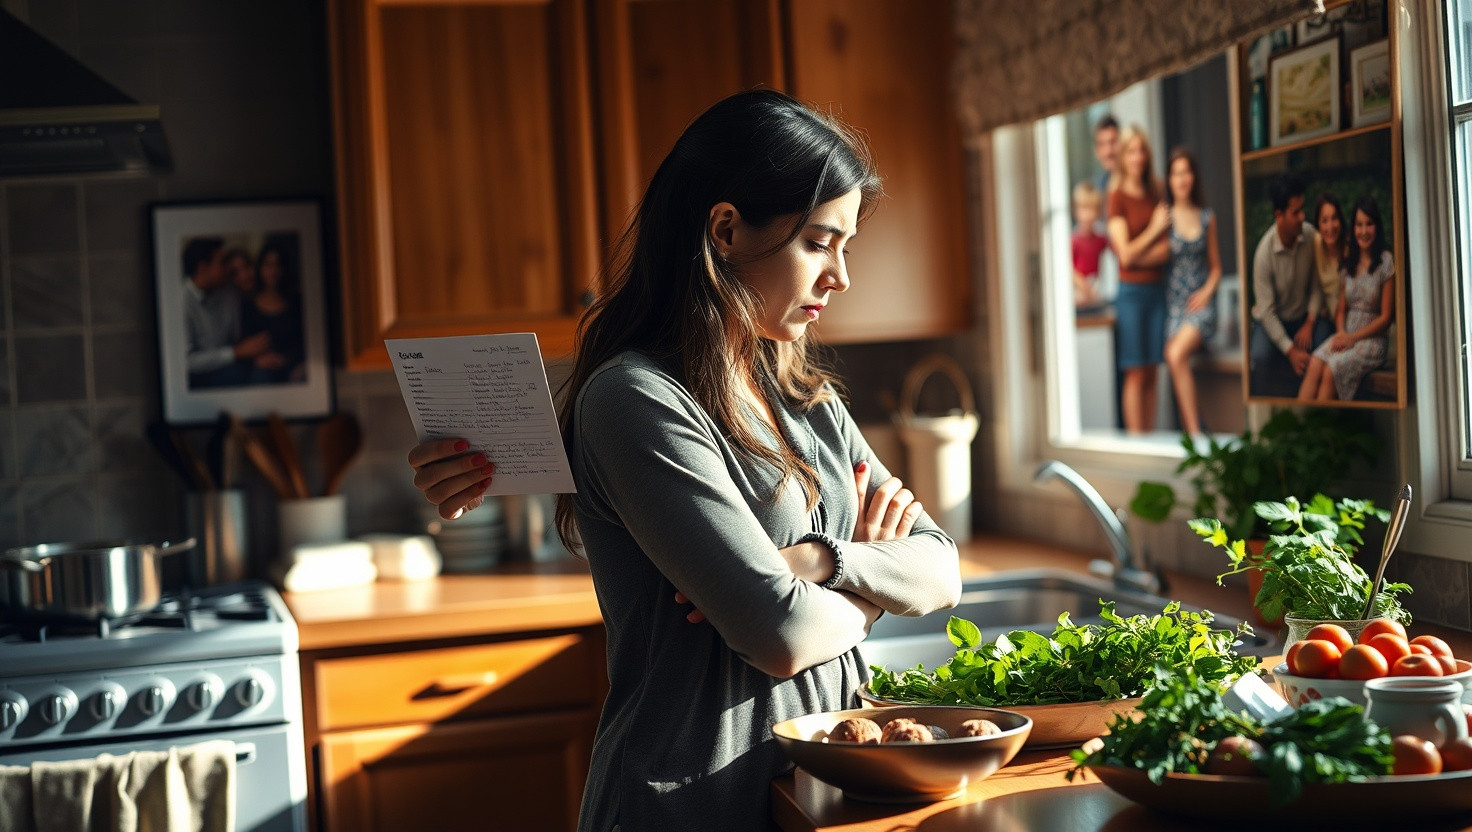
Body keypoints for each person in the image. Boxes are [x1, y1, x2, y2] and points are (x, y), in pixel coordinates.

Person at [406, 90, 961, 832]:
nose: (841, 277)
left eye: (846, 247)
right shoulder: (634, 400)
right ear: (726, 230)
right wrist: (872, 579)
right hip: (686, 804)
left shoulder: (808, 399)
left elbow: (942, 569)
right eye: (818, 242)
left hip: (817, 801)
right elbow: (782, 637)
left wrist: (820, 563)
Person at [1106, 124, 1170, 434]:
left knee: (1152, 371)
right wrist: (1154, 231)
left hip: (1157, 292)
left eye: (1142, 149)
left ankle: (1150, 438)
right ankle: (1136, 440)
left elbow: (1166, 251)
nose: (1138, 156)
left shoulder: (1157, 189)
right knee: (1134, 371)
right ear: (1123, 156)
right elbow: (1125, 256)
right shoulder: (1116, 197)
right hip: (1130, 294)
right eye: (1131, 150)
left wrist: (1136, 252)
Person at [1298, 196, 1395, 402]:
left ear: (1377, 227)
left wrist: (1353, 338)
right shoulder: (1349, 261)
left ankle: (1321, 428)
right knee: (1316, 361)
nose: (1363, 231)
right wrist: (1341, 332)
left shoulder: (1385, 262)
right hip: (1346, 334)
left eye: (1369, 224)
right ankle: (1300, 427)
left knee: (1332, 368)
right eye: (1359, 225)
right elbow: (1341, 309)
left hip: (1371, 341)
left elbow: (1386, 317)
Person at [1248, 172, 1330, 398]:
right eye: (1296, 212)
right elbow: (1266, 311)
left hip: (1305, 319)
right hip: (1272, 321)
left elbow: (1317, 285)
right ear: (1279, 215)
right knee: (1261, 356)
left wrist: (1311, 321)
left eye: (1303, 209)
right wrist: (1290, 350)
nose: (1303, 216)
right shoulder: (1264, 254)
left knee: (1325, 346)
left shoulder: (1311, 235)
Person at [1160, 148, 1220, 437]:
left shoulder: (1207, 217)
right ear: (1169, 179)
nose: (1182, 179)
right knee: (1174, 356)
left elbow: (1217, 268)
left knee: (1174, 353)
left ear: (1193, 177)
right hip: (1173, 307)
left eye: (1186, 172)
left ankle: (1195, 435)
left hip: (1199, 305)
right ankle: (1194, 430)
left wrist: (1207, 292)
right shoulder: (1164, 217)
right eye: (1176, 173)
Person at [182, 236, 270, 388]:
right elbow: (187, 361)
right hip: (204, 375)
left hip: (237, 362)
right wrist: (235, 353)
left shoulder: (227, 290)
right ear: (203, 268)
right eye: (222, 263)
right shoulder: (182, 302)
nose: (227, 268)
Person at [241, 235, 306, 384]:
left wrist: (286, 359)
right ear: (260, 268)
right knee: (259, 377)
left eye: (278, 265)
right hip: (262, 367)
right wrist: (257, 360)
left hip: (292, 365)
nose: (273, 271)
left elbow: (305, 342)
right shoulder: (248, 305)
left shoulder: (296, 302)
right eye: (268, 265)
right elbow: (243, 344)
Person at [1070, 181, 1109, 309]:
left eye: (1092, 209)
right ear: (1076, 210)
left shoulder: (1102, 239)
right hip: (1079, 292)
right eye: (1084, 208)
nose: (1087, 215)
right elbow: (1069, 270)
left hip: (1097, 289)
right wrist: (1085, 288)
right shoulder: (1073, 240)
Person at [1311, 191, 1349, 317]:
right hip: (1326, 316)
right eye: (1324, 220)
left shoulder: (1350, 247)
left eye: (1334, 218)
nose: (1330, 227)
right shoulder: (1315, 243)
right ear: (1318, 224)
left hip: (1350, 317)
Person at [1092, 114, 1120, 196]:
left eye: (1113, 142)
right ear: (1096, 151)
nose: (1108, 151)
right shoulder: (1097, 190)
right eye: (1102, 144)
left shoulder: (1140, 184)